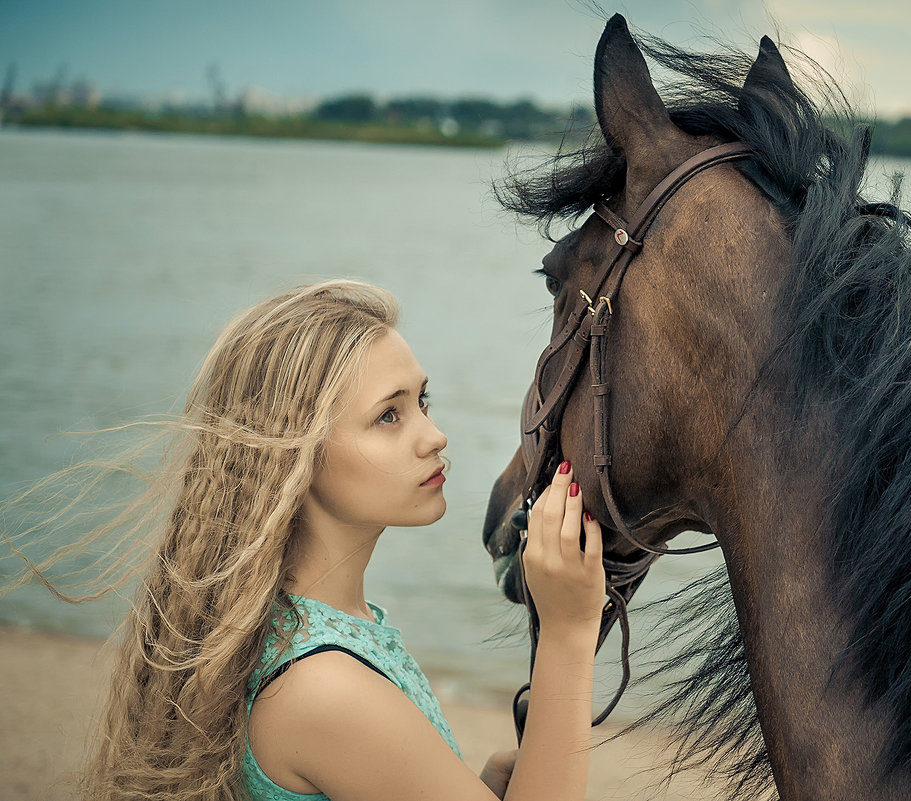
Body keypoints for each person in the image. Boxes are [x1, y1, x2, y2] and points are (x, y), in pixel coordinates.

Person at [10, 280, 607, 801]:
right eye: (389, 416)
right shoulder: (323, 686)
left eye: (421, 400)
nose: (434, 435)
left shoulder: (295, 629)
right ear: (297, 457)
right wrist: (568, 631)